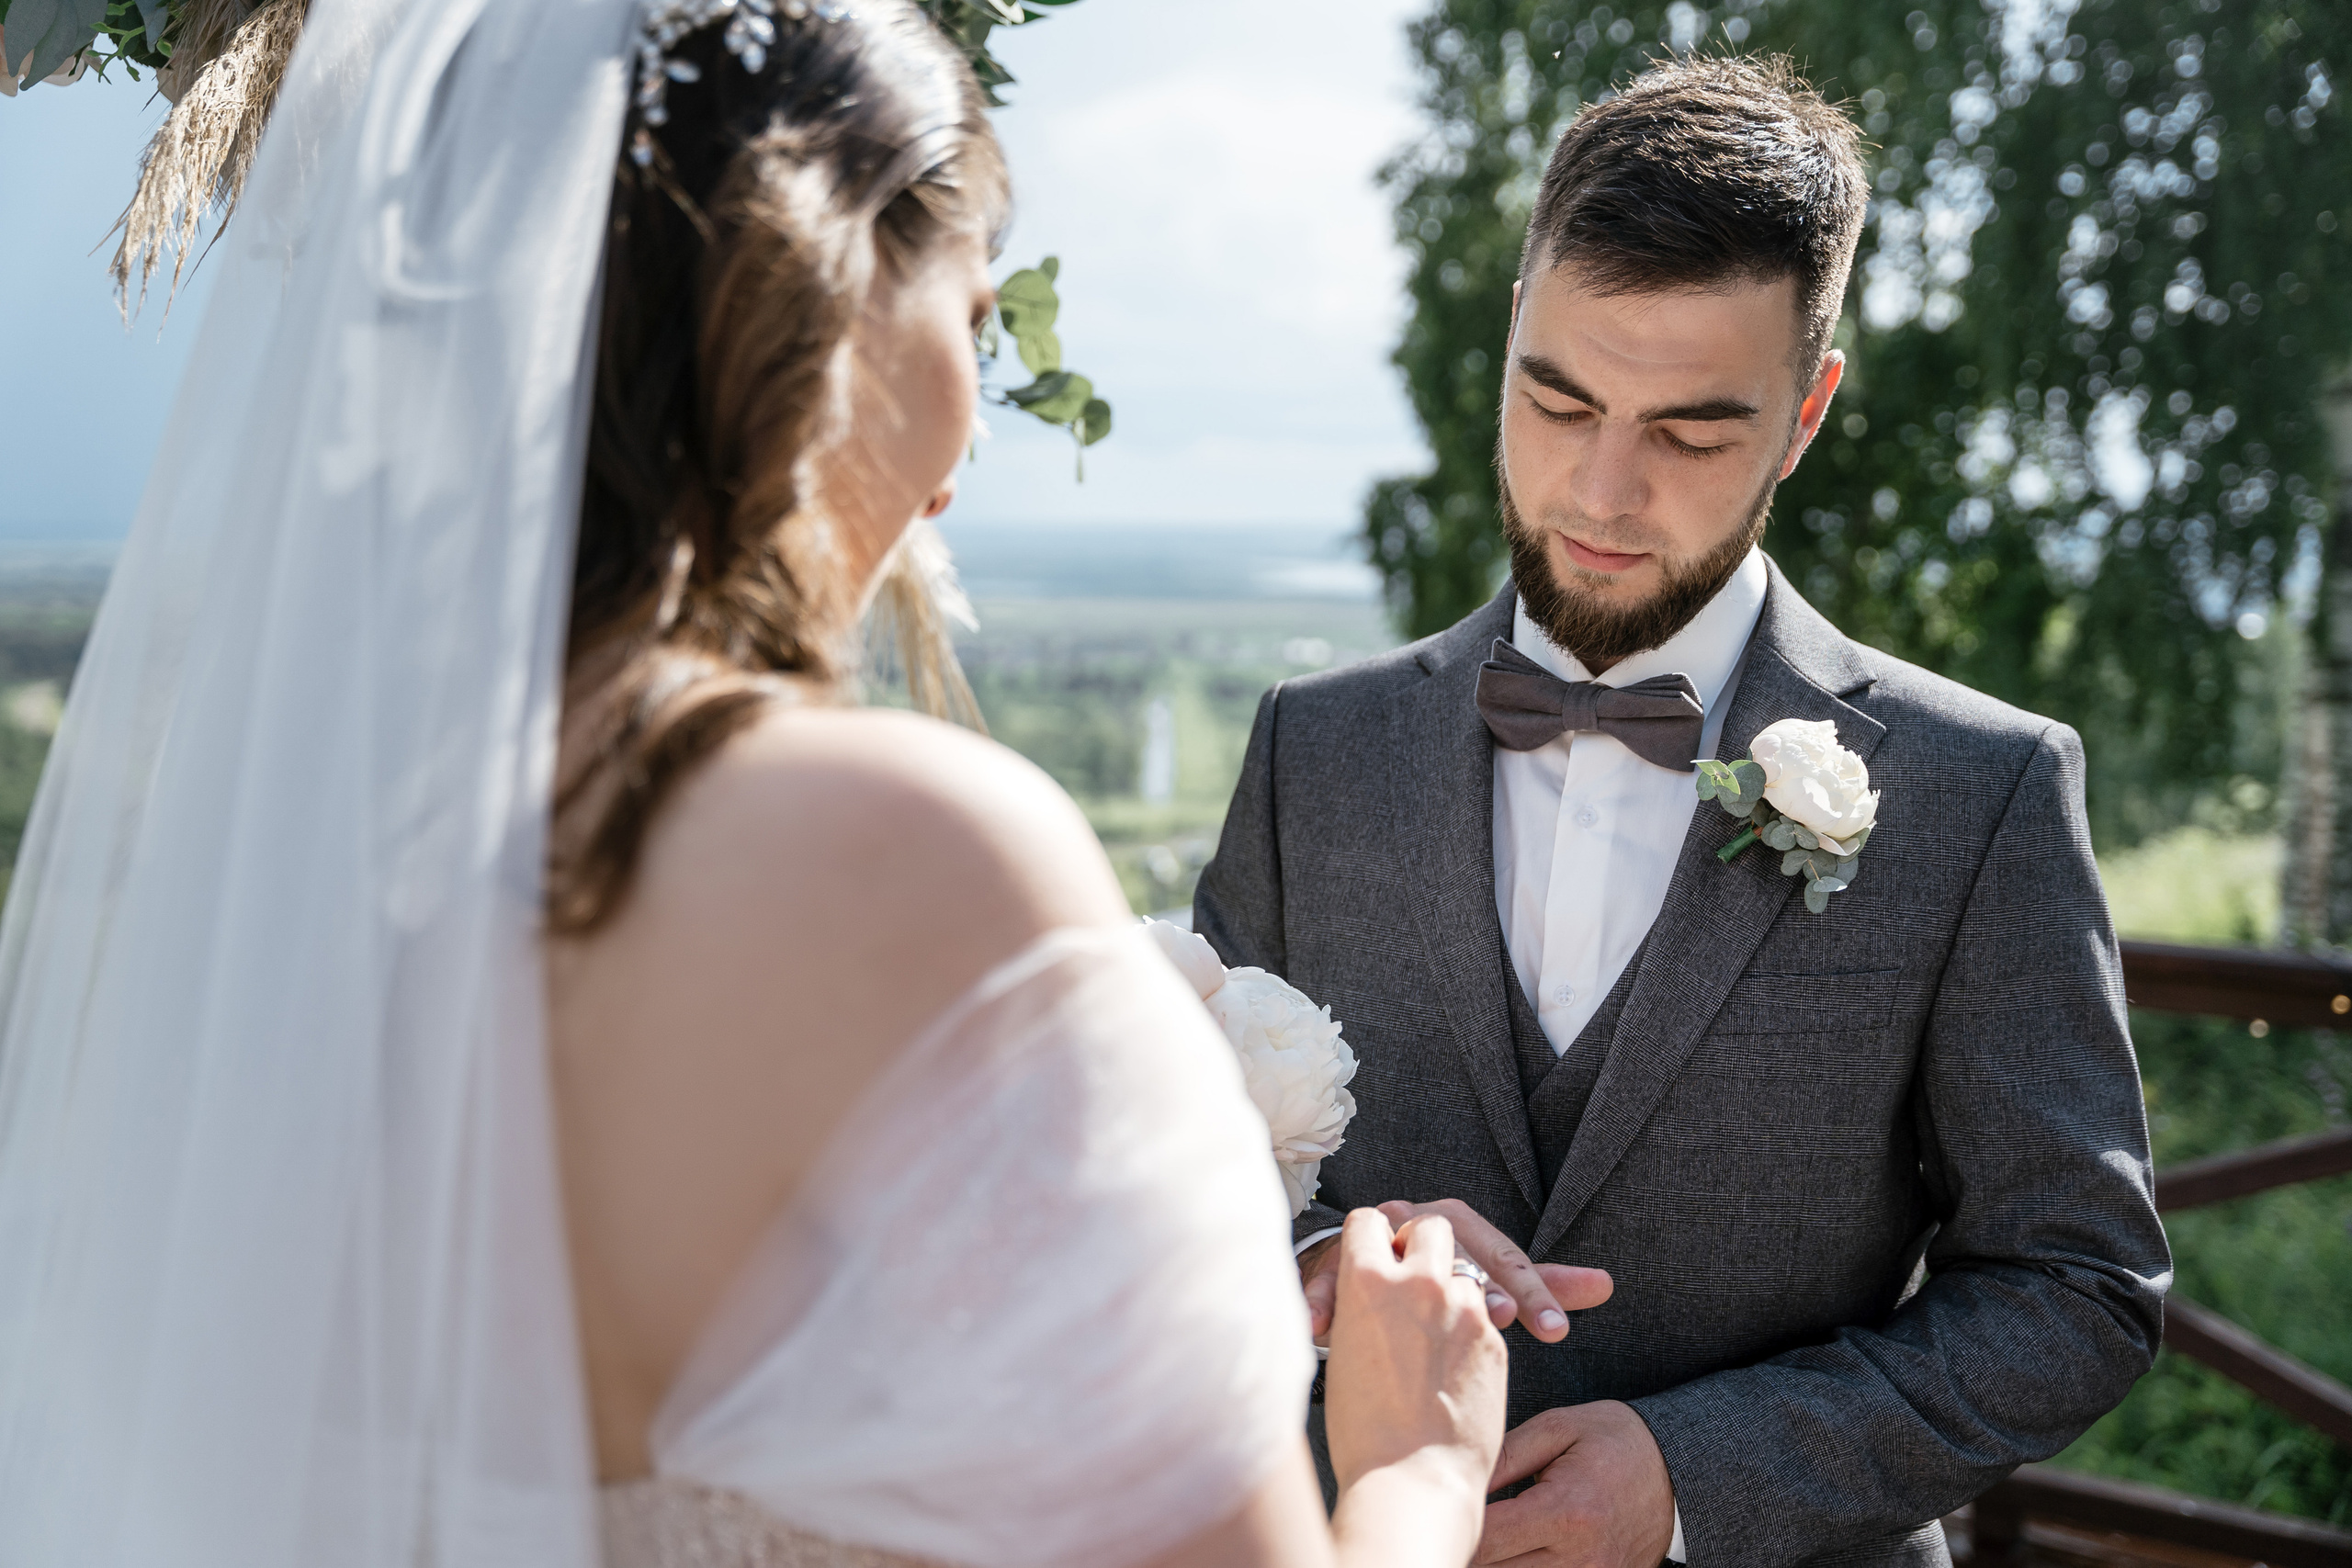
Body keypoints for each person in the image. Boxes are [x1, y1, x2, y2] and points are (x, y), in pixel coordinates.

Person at [0, 4, 1508, 1567]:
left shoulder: (265, 887)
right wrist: (1416, 1464)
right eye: (972, 321)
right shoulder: (917, 861)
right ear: (827, 298)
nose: (967, 438)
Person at [1195, 56, 2174, 1568]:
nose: (1600, 489)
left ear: (1805, 412)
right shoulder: (1311, 748)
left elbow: (2077, 1284)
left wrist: (1695, 1477)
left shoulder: (1983, 790)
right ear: (1510, 335)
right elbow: (1180, 1175)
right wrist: (1320, 1261)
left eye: (1691, 434)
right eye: (1556, 397)